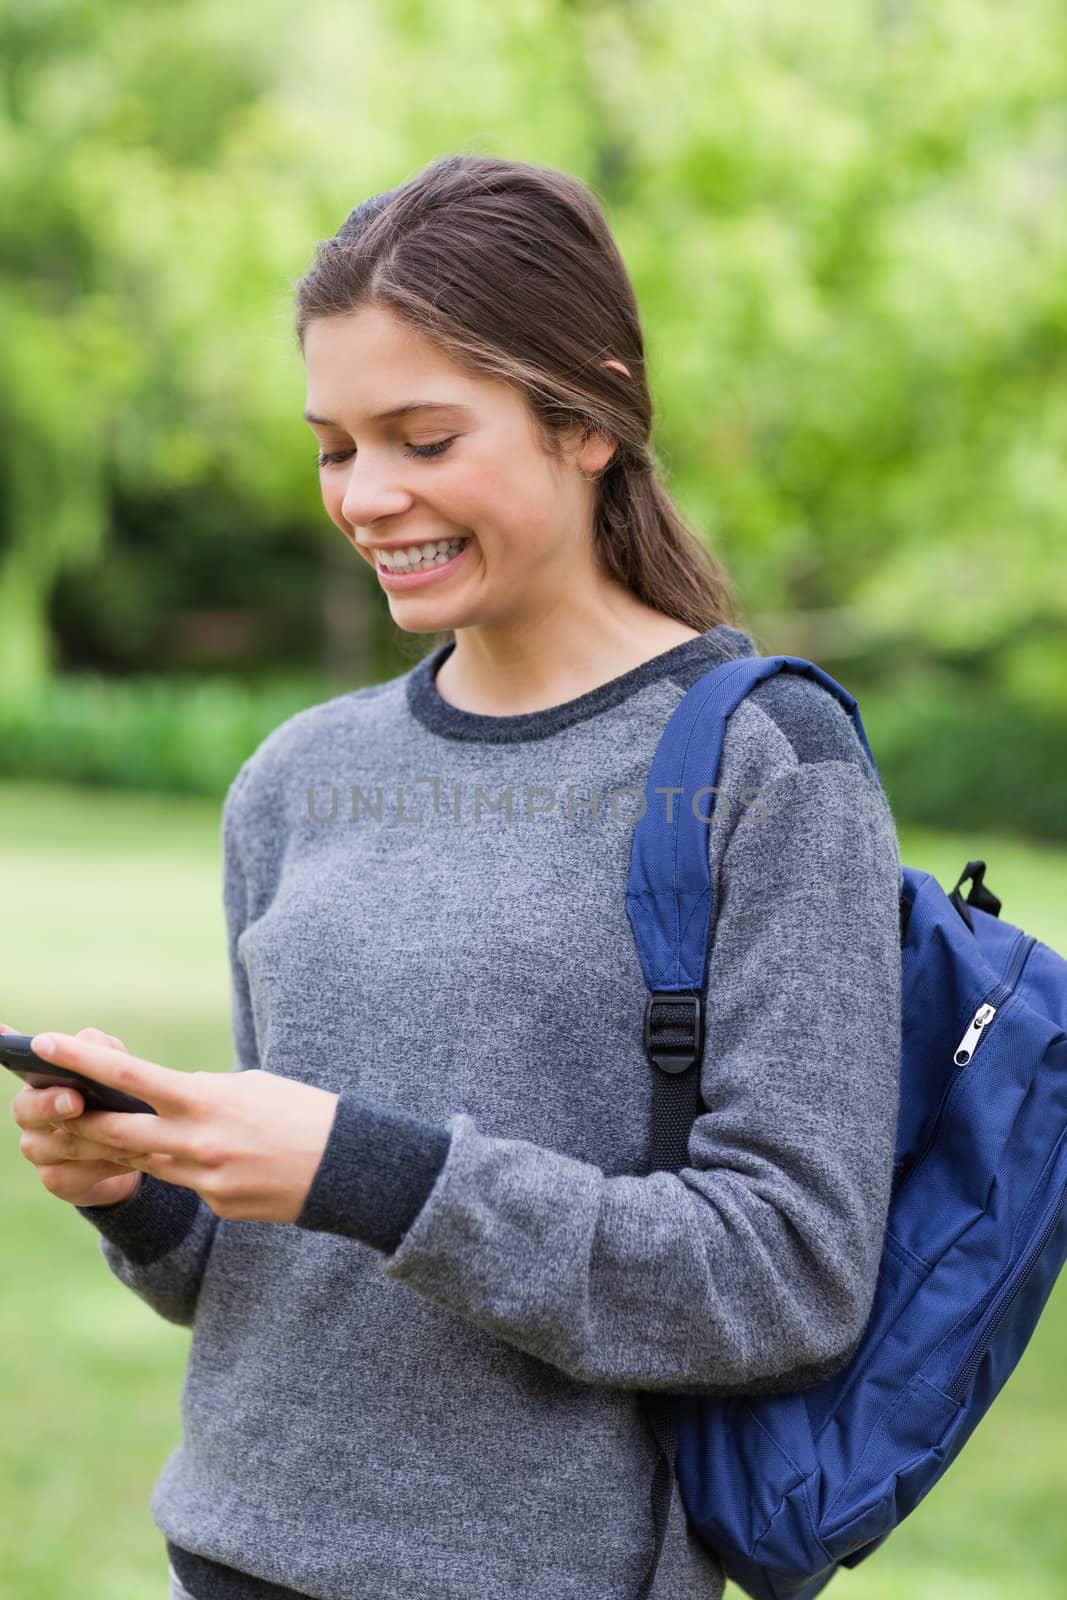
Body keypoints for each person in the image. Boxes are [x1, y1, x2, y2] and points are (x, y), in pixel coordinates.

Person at [9, 153, 902, 1600]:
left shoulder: (765, 763)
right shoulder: (294, 780)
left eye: (423, 438)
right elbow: (273, 1286)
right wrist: (142, 1189)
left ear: (589, 416)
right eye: (334, 445)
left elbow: (786, 1275)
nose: (365, 497)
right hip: (227, 1554)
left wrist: (371, 1168)